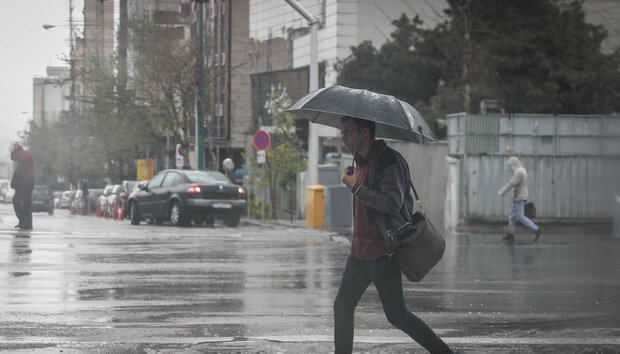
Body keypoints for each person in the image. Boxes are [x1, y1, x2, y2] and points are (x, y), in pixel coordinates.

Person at [335, 116, 455, 354]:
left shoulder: (389, 162)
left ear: (365, 133)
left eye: (348, 132)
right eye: (342, 133)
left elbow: (391, 203)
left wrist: (356, 187)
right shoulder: (360, 163)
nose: (343, 138)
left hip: (383, 253)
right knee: (342, 307)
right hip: (359, 253)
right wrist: (356, 181)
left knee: (397, 316)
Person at [498, 156, 542, 242]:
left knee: (520, 217)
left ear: (513, 164)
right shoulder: (522, 170)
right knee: (512, 217)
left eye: (510, 165)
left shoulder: (518, 172)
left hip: (519, 198)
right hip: (521, 196)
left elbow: (511, 184)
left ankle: (537, 229)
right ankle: (510, 235)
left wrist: (502, 192)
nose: (510, 168)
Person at [10, 142, 35, 230]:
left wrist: (16, 149)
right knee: (24, 202)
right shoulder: (22, 156)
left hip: (26, 181)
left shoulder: (26, 154)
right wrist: (13, 150)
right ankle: (24, 222)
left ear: (19, 150)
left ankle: (25, 222)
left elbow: (18, 157)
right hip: (24, 182)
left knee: (22, 202)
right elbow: (14, 158)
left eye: (16, 150)